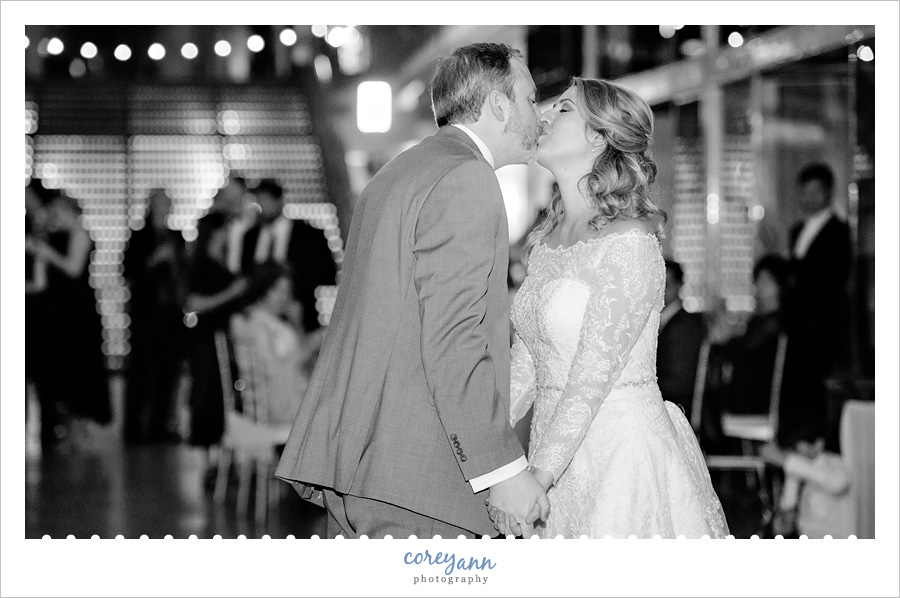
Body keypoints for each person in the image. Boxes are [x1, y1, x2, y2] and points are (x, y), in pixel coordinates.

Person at [276, 42, 549, 539]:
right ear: (499, 105)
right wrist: (501, 470)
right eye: (532, 99)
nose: (540, 115)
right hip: (416, 476)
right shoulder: (467, 177)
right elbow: (453, 336)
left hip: (363, 459)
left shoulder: (401, 170)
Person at [498, 78, 729, 538]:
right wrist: (487, 453)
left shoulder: (630, 243)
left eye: (563, 109)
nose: (543, 115)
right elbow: (525, 367)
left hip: (617, 456)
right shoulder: (545, 244)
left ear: (599, 136)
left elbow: (590, 378)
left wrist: (537, 479)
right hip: (551, 451)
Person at [26, 191, 111, 451]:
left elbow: (73, 269)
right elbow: (40, 284)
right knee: (64, 371)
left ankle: (81, 433)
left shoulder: (80, 234)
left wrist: (45, 252)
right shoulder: (50, 239)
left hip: (79, 314)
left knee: (81, 369)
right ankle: (69, 432)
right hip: (58, 316)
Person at [784, 163, 851, 448]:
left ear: (827, 192)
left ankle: (818, 444)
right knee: (797, 389)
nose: (808, 198)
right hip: (796, 326)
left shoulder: (839, 231)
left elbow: (831, 282)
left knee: (817, 391)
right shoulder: (797, 229)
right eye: (804, 192)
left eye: (814, 191)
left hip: (821, 326)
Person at [123, 189, 187, 444]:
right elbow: (128, 271)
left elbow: (184, 273)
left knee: (168, 371)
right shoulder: (138, 236)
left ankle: (162, 425)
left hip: (171, 314)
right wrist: (152, 260)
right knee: (139, 370)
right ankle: (135, 427)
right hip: (145, 314)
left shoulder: (177, 237)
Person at [240, 179, 337, 332]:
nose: (262, 206)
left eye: (266, 200)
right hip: (260, 320)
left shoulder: (309, 235)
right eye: (258, 200)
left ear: (280, 200)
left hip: (301, 316)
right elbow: (245, 275)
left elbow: (326, 273)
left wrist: (291, 297)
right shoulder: (250, 237)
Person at [239, 263, 321, 425]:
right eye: (278, 290)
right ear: (263, 290)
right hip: (280, 404)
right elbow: (273, 370)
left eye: (288, 291)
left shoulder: (278, 323)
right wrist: (309, 347)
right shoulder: (257, 324)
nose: (284, 297)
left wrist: (297, 323)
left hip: (295, 394)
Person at [656, 259, 706, 425]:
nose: (660, 291)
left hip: (677, 409)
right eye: (657, 284)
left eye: (667, 285)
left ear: (679, 286)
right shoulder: (662, 321)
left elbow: (679, 381)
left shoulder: (684, 325)